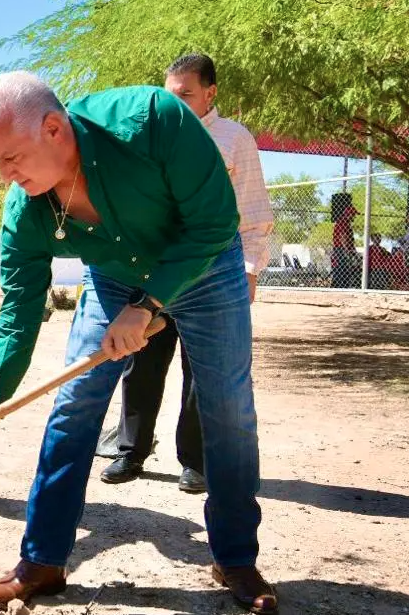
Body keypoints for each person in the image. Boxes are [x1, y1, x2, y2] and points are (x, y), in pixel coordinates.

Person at [0, 72, 278, 615]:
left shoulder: (151, 118)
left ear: (53, 128)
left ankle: (235, 557)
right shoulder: (26, 207)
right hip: (114, 276)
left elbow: (216, 221)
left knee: (228, 406)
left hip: (204, 265)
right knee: (75, 404)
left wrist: (148, 306)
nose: (4, 177)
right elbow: (19, 313)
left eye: (11, 159)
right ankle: (43, 560)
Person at [95, 53, 274, 493]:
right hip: (154, 273)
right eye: (168, 95)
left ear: (211, 93)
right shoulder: (152, 136)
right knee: (140, 362)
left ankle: (194, 461)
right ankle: (130, 451)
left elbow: (252, 210)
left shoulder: (234, 139)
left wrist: (248, 269)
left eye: (186, 95)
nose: (173, 105)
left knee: (201, 371)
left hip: (211, 276)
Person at [330, 192, 359, 288]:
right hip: (341, 249)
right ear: (349, 214)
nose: (354, 217)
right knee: (342, 270)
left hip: (342, 249)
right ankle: (339, 287)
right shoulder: (343, 222)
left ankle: (341, 286)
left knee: (344, 270)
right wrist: (347, 250)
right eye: (353, 215)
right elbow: (343, 237)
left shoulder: (345, 222)